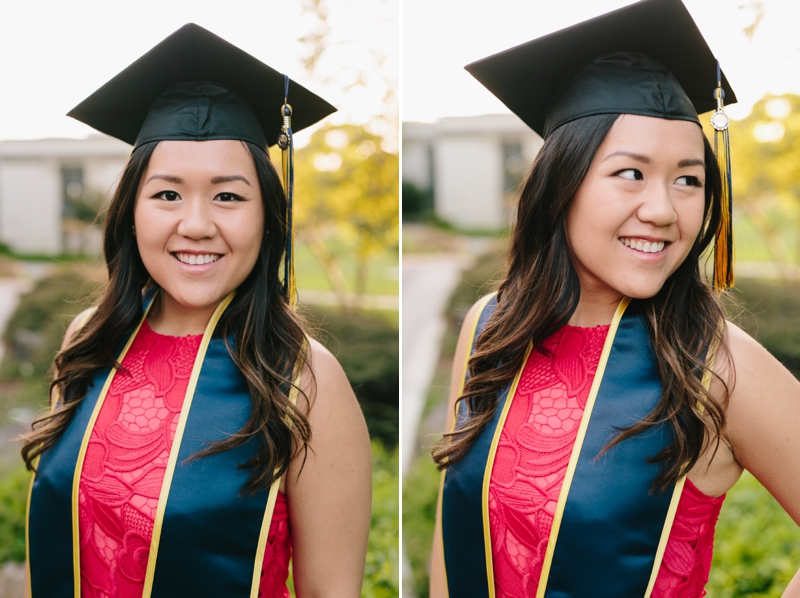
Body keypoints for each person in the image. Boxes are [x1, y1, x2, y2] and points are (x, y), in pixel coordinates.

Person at [429, 0, 800, 596]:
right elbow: (454, 530)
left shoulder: (714, 363)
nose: (661, 209)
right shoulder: (490, 326)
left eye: (688, 179)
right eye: (631, 173)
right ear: (562, 183)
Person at [20, 24, 372, 598]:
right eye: (167, 194)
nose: (197, 224)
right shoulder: (90, 339)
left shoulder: (304, 379)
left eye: (228, 195)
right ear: (131, 212)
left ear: (268, 216)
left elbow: (331, 589)